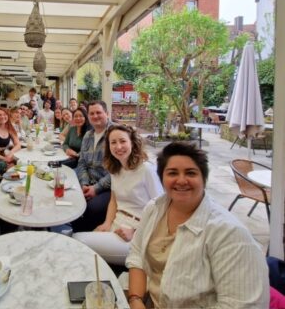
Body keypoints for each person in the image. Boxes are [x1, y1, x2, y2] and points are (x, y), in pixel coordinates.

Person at [126, 142, 269, 308]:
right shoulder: (154, 209)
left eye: (191, 173)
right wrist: (135, 300)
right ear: (162, 178)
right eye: (172, 173)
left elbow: (241, 305)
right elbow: (137, 255)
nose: (181, 180)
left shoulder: (229, 234)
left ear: (204, 178)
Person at [73, 125, 163, 265]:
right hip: (117, 223)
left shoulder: (146, 169)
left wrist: (135, 232)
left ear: (132, 142)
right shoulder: (116, 168)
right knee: (79, 240)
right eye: (113, 142)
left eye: (122, 141)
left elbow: (161, 209)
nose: (118, 146)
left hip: (137, 234)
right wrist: (107, 223)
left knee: (77, 241)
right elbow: (114, 201)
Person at [72, 100, 113, 232]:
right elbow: (82, 162)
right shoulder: (88, 135)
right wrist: (84, 184)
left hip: (109, 187)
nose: (95, 116)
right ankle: (76, 235)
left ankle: (87, 239)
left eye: (99, 112)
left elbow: (118, 171)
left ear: (107, 113)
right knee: (69, 198)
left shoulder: (115, 134)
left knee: (91, 208)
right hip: (88, 181)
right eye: (92, 113)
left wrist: (96, 188)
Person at [0, 107, 21, 173]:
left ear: (8, 116)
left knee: (20, 162)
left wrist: (11, 153)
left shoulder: (9, 128)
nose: (2, 117)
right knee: (10, 167)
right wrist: (4, 158)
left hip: (5, 155)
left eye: (5, 114)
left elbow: (18, 145)